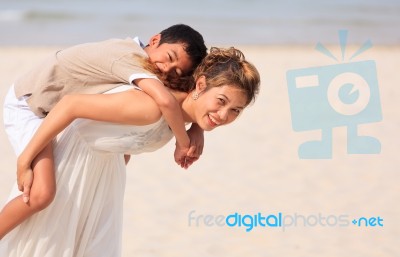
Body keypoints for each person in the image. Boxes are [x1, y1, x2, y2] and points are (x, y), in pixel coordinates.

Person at [0, 47, 260, 256]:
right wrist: (26, 158)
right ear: (200, 85)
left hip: (103, 174)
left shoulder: (181, 117)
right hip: (70, 161)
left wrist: (197, 129)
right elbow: (70, 105)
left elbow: (125, 138)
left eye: (236, 110)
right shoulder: (152, 107)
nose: (224, 115)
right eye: (221, 101)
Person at [0, 24, 207, 240]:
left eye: (176, 71)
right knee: (42, 195)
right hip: (30, 104)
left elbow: (195, 90)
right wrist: (183, 143)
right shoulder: (127, 56)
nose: (166, 69)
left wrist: (198, 127)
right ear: (154, 40)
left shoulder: (144, 62)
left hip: (53, 108)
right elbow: (166, 100)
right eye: (169, 57)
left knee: (119, 160)